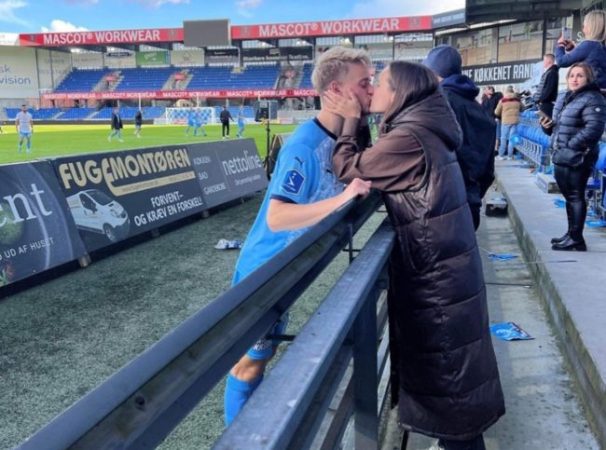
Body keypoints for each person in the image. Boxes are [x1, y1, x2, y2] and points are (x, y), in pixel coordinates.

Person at [324, 60, 505, 450]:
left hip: (437, 281)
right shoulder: (424, 128)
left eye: (379, 84)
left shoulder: (410, 138)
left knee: (453, 388)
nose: (372, 91)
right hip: (445, 273)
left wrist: (351, 119)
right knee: (453, 385)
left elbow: (348, 168)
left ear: (400, 93)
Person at [224, 46, 375, 426]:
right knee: (249, 366)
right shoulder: (304, 145)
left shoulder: (345, 137)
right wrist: (342, 198)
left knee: (264, 359)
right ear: (334, 91)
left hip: (290, 268)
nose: (371, 91)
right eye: (364, 84)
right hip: (263, 272)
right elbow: (277, 216)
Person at [423, 45, 497, 230]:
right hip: (470, 200)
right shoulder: (477, 107)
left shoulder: (438, 103)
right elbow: (488, 169)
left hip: (445, 205)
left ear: (432, 72)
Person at [540, 62, 606, 251]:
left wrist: (571, 146)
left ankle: (576, 238)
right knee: (570, 197)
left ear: (588, 79)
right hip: (563, 154)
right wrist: (548, 127)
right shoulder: (569, 98)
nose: (575, 79)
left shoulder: (593, 98)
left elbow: (594, 128)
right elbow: (562, 127)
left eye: (580, 76)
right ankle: (571, 233)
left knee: (576, 196)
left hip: (578, 156)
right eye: (572, 76)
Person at [555, 10, 606, 90]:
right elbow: (593, 60)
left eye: (584, 26)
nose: (583, 29)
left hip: (591, 92)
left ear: (592, 27)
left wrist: (560, 45)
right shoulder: (601, 46)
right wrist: (574, 49)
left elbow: (561, 61)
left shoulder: (589, 45)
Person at [494, 86, 521, 160]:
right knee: (512, 139)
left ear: (506, 92)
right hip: (515, 121)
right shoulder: (517, 100)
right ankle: (510, 155)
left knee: (503, 138)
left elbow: (496, 112)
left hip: (505, 121)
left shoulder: (503, 100)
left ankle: (501, 155)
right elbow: (523, 108)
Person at [533, 54, 560, 118]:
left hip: (547, 104)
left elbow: (549, 89)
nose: (543, 62)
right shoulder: (549, 72)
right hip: (544, 103)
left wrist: (541, 100)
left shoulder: (552, 73)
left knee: (546, 125)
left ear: (549, 61)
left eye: (544, 60)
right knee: (544, 124)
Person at [481, 86, 503, 151]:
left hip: (495, 118)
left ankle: (495, 148)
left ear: (491, 90)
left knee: (496, 134)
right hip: (487, 119)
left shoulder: (496, 97)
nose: (484, 91)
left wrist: (497, 117)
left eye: (486, 89)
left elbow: (498, 108)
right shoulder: (484, 99)